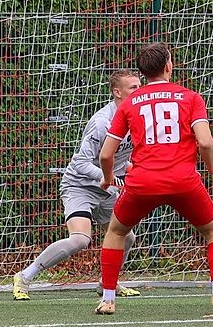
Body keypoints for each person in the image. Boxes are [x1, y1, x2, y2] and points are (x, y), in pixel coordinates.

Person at [94, 43, 213, 315]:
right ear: (168, 66)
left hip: (142, 183)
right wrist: (211, 167)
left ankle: (108, 299)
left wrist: (107, 178)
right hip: (183, 181)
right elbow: (206, 142)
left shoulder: (129, 103)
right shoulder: (190, 97)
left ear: (143, 72)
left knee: (115, 232)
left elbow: (105, 154)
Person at [12, 71, 141, 301]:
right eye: (133, 87)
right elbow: (81, 162)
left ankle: (107, 283)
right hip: (80, 185)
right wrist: (108, 178)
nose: (139, 91)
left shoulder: (139, 118)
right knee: (80, 239)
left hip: (109, 186)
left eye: (140, 86)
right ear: (117, 92)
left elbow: (125, 158)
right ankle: (24, 276)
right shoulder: (101, 123)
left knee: (128, 237)